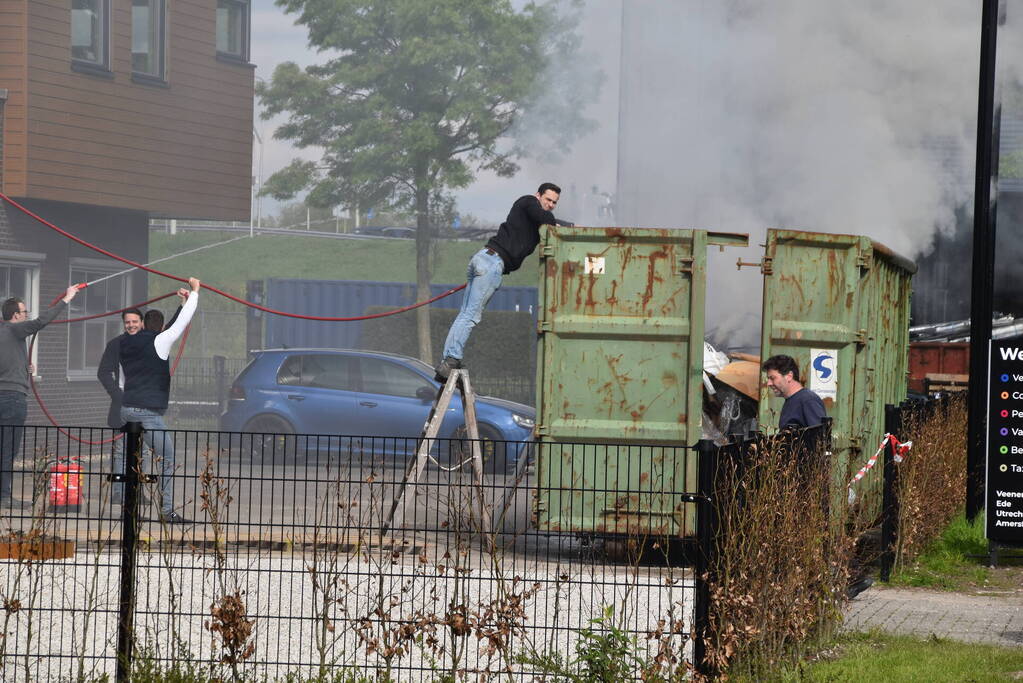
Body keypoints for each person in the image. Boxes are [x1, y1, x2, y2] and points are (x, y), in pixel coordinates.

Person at [435, 182, 566, 381]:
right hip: (492, 263)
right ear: (538, 195)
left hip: (484, 259)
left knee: (465, 314)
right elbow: (546, 218)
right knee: (470, 316)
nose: (551, 205)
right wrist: (556, 224)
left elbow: (545, 219)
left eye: (555, 202)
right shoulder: (529, 201)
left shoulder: (532, 215)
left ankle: (449, 360)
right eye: (548, 199)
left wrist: (566, 226)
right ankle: (450, 361)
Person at [118, 278, 200, 524]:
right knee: (167, 459)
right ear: (161, 327)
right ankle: (166, 511)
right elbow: (180, 325)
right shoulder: (160, 341)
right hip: (147, 413)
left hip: (127, 409)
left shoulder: (127, 341)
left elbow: (169, 328)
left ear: (143, 324)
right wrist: (195, 292)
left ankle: (129, 511)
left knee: (132, 461)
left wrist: (181, 305)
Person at [0, 285, 81, 508]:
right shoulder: (15, 329)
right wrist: (67, 298)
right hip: (12, 400)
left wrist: (23, 368)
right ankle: (4, 496)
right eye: (24, 312)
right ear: (16, 315)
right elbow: (40, 322)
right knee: (8, 449)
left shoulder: (4, 333)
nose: (26, 315)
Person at [762, 354, 826, 429]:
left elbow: (820, 434)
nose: (769, 383)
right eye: (768, 379)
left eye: (772, 378)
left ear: (789, 376)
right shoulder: (791, 400)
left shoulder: (808, 400)